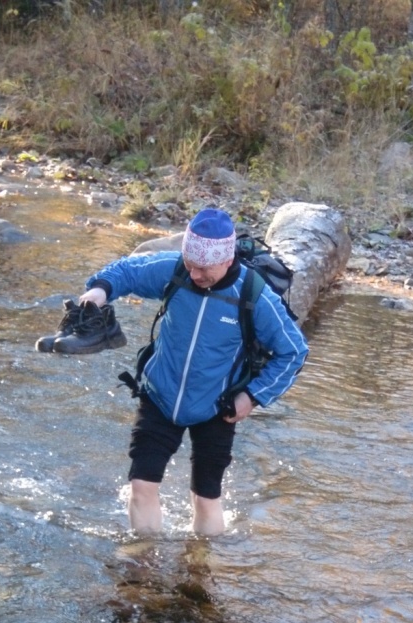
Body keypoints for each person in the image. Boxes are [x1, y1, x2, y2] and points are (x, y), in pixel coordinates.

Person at [79, 208, 309, 537]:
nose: (195, 274)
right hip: (160, 396)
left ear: (227, 260)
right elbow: (127, 271)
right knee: (142, 486)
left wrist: (252, 397)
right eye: (190, 263)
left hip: (218, 408)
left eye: (203, 268)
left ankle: (199, 568)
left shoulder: (254, 296)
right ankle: (144, 566)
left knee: (206, 498)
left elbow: (293, 352)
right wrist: (98, 291)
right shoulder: (176, 271)